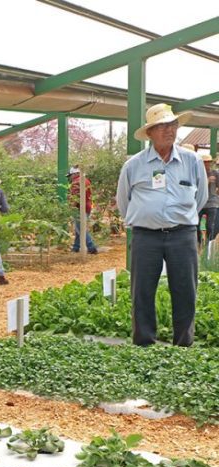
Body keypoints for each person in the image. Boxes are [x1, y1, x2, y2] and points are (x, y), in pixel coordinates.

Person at [117, 104, 208, 347]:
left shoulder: (192, 160)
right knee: (142, 291)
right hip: (146, 237)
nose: (170, 130)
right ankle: (144, 343)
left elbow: (201, 198)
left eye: (173, 125)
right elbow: (123, 202)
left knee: (185, 291)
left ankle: (183, 344)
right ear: (149, 133)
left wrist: (181, 218)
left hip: (183, 235)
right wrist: (147, 219)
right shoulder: (134, 165)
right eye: (162, 126)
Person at [67, 166, 98, 254]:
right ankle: (76, 247)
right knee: (79, 228)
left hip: (80, 208)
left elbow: (75, 198)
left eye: (71, 175)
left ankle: (92, 248)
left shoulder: (76, 182)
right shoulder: (86, 180)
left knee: (81, 228)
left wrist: (71, 207)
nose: (70, 178)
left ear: (75, 174)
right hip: (87, 206)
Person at [199, 152, 218, 244]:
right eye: (204, 162)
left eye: (208, 162)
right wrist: (207, 180)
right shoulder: (197, 173)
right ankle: (199, 245)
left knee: (211, 226)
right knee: (196, 226)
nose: (206, 164)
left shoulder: (215, 173)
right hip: (200, 203)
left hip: (212, 203)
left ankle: (209, 246)